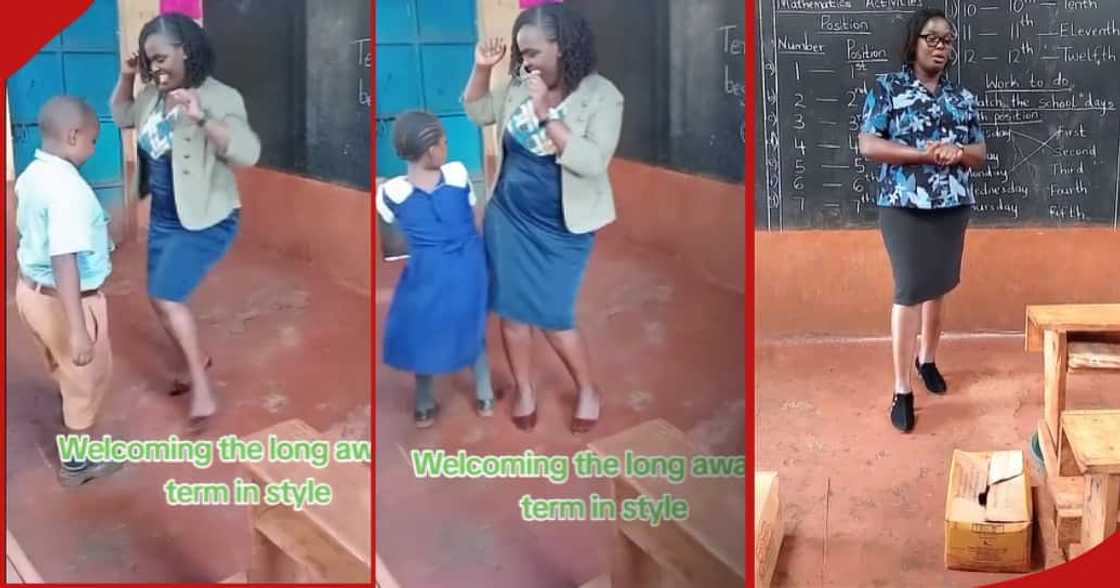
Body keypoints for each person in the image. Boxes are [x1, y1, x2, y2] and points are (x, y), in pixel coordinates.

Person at [463, 3, 624, 433]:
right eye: (522, 53)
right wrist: (482, 68)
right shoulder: (519, 86)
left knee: (554, 316)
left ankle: (587, 389)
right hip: (508, 218)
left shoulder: (602, 96)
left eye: (533, 52)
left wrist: (546, 114)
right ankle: (525, 388)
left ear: (562, 46)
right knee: (512, 313)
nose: (526, 61)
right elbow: (478, 112)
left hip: (563, 228)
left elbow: (591, 162)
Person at [109, 12, 261, 434]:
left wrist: (200, 118)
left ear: (186, 50)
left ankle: (201, 387)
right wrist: (127, 77)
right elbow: (122, 115)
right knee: (160, 298)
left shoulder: (220, 96)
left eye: (160, 58)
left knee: (166, 295)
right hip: (164, 215)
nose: (154, 68)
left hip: (208, 217)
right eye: (148, 60)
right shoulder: (152, 97)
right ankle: (195, 363)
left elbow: (247, 152)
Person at [858, 8, 987, 433]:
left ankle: (927, 360)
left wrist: (958, 153)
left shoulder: (962, 98)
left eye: (947, 40)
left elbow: (979, 153)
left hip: (952, 206)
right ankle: (902, 388)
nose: (939, 46)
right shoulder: (888, 88)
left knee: (939, 285)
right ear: (914, 42)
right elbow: (869, 145)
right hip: (903, 206)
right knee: (910, 289)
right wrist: (924, 154)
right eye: (931, 38)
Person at [14, 96, 123, 486]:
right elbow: (64, 258)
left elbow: (33, 232)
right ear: (74, 135)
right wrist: (79, 329)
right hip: (66, 301)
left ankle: (77, 437)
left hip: (30, 293)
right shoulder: (69, 190)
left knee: (64, 368)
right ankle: (78, 465)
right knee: (87, 379)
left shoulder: (33, 174)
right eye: (93, 142)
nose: (94, 150)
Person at [377, 111, 496, 428]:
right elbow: (472, 213)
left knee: (421, 328)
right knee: (471, 324)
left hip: (427, 271)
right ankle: (484, 394)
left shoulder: (389, 193)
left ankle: (424, 401)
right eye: (444, 141)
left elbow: (391, 233)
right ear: (433, 151)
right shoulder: (458, 175)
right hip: (468, 266)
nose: (447, 145)